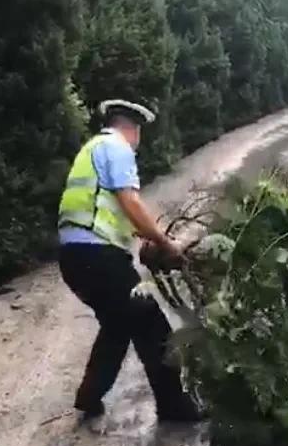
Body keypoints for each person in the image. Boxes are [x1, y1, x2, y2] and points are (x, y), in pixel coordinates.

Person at [56, 99, 202, 422]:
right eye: (139, 133)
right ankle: (174, 407)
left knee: (118, 324)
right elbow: (130, 202)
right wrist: (165, 242)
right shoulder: (118, 147)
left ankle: (89, 396)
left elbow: (102, 212)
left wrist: (139, 239)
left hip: (76, 258)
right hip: (97, 257)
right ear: (132, 128)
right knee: (151, 321)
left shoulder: (93, 148)